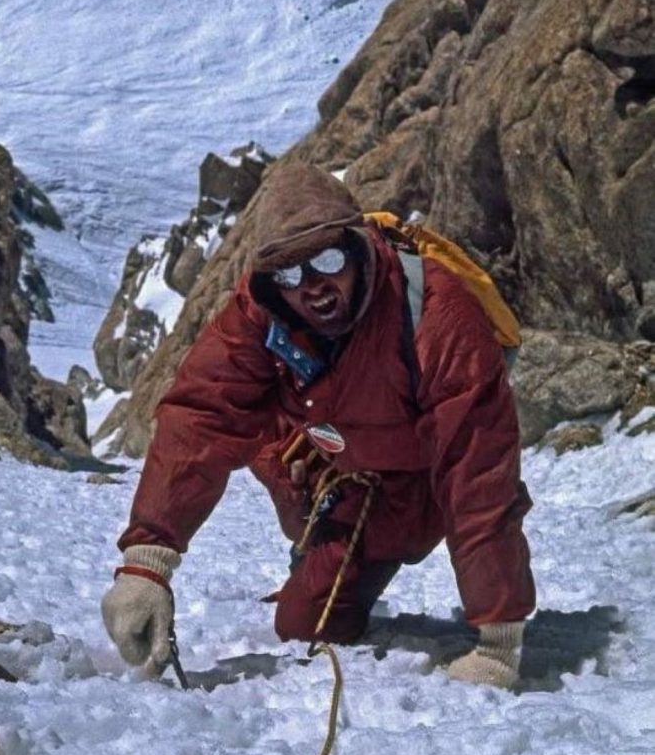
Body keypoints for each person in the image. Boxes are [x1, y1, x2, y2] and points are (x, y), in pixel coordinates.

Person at [102, 163, 535, 688]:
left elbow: (477, 468)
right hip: (358, 486)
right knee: (303, 625)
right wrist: (147, 563)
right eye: (288, 274)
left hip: (431, 483)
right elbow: (202, 416)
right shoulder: (261, 317)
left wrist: (499, 643)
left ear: (358, 249)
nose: (313, 288)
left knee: (471, 487)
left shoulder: (437, 312)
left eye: (328, 260)